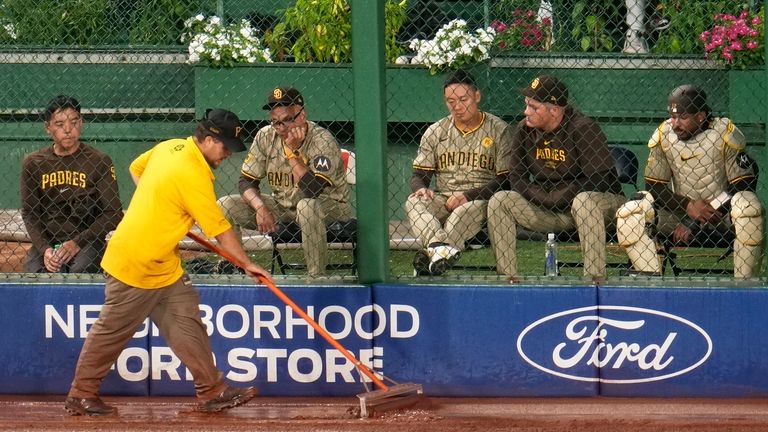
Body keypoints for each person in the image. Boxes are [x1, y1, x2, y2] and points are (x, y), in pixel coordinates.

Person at [64, 108, 272, 416]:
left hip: (163, 264)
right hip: (135, 262)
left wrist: (162, 201)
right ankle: (81, 393)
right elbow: (221, 231)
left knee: (186, 321)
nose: (229, 153)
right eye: (226, 146)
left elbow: (137, 167)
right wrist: (247, 264)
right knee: (111, 332)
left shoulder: (171, 145)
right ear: (209, 139)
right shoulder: (194, 175)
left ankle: (212, 391)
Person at [487, 75, 626, 283]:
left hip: (598, 205)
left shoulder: (583, 128)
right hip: (549, 206)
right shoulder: (525, 130)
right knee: (500, 200)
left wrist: (559, 197)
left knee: (584, 202)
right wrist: (545, 197)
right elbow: (516, 177)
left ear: (554, 109)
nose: (526, 112)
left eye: (534, 107)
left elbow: (600, 180)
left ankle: (593, 281)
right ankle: (509, 280)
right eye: (526, 105)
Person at [616, 84, 764, 278]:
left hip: (725, 215)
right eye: (673, 116)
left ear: (700, 116)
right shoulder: (664, 134)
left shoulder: (724, 132)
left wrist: (696, 219)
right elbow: (655, 187)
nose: (676, 124)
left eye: (683, 117)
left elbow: (741, 184)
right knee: (632, 211)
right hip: (678, 214)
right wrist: (688, 207)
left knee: (748, 208)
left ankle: (746, 286)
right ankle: (650, 280)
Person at [217, 86, 352, 277]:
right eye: (275, 122)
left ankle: (316, 277)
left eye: (287, 120)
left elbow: (312, 190)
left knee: (306, 206)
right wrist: (260, 208)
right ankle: (235, 269)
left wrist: (292, 153)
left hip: (328, 206)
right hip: (283, 205)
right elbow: (246, 181)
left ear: (302, 115)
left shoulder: (322, 140)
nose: (281, 127)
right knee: (225, 205)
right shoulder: (265, 135)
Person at [405, 69, 513, 276]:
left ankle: (431, 255)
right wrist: (420, 189)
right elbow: (419, 175)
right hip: (444, 196)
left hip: (480, 198)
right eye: (450, 101)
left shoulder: (498, 129)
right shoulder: (436, 131)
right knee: (413, 202)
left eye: (463, 99)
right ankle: (439, 249)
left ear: (477, 96)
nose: (457, 106)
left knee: (461, 214)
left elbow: (505, 180)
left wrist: (467, 196)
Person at [20, 95, 123, 273]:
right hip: (49, 238)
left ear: (81, 123)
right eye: (60, 124)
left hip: (87, 239)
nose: (68, 129)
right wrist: (45, 249)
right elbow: (30, 213)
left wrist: (77, 243)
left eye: (74, 122)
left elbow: (113, 213)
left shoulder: (99, 161)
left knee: (82, 270)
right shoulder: (34, 163)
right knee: (35, 273)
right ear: (48, 127)